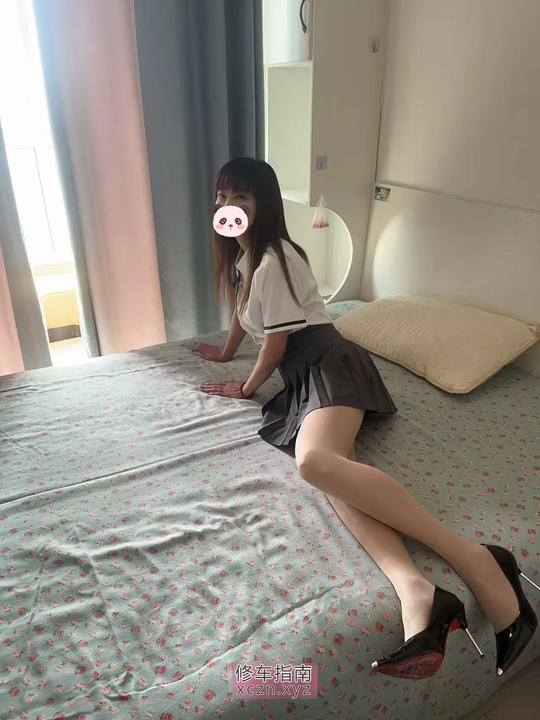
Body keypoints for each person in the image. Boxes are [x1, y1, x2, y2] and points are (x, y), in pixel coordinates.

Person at [190, 157, 537, 680]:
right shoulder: (247, 260)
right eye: (221, 198)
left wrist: (244, 387)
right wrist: (223, 353)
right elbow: (246, 317)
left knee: (314, 462)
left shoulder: (277, 258)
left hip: (329, 364)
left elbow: (277, 343)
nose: (227, 207)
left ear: (264, 203)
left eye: (240, 197)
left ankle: (475, 558)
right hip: (305, 377)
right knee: (334, 474)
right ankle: (416, 590)